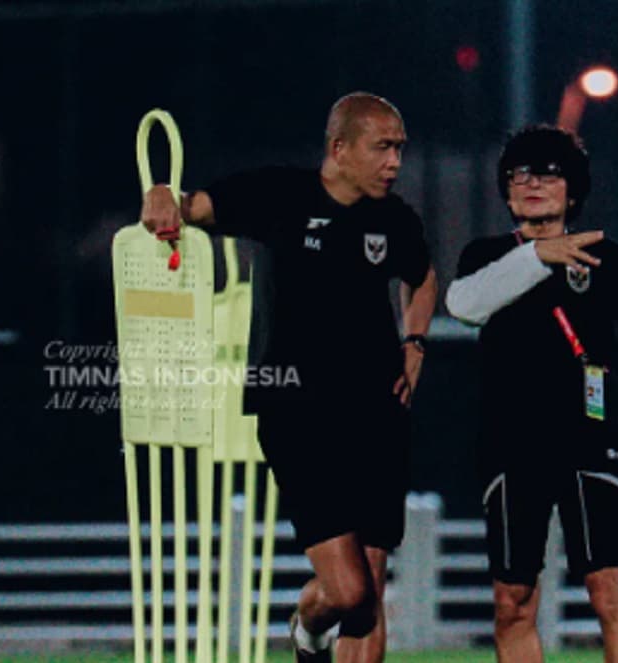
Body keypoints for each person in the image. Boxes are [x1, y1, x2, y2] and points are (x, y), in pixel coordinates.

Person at [140, 92, 438, 663]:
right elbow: (192, 207)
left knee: (369, 591)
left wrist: (415, 342)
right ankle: (307, 627)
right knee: (348, 593)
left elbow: (422, 279)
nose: (394, 162)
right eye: (382, 148)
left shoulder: (395, 218)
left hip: (379, 408)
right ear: (339, 148)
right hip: (296, 413)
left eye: (399, 149)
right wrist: (160, 195)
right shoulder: (278, 194)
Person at [445, 124, 618, 663]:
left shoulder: (608, 258)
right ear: (506, 192)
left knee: (609, 593)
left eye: (548, 174)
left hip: (589, 439)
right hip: (510, 443)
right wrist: (538, 256)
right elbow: (463, 305)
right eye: (520, 175)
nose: (532, 183)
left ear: (572, 191)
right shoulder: (486, 255)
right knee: (513, 600)